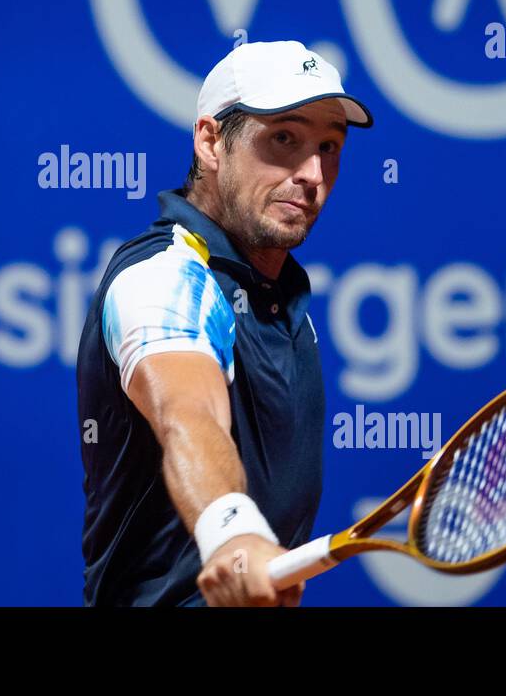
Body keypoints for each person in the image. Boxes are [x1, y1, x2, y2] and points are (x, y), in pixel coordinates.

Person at [77, 40, 374, 606]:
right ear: (211, 142)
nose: (312, 173)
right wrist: (232, 531)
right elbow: (188, 414)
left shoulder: (279, 293)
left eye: (329, 146)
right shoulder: (166, 275)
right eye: (284, 139)